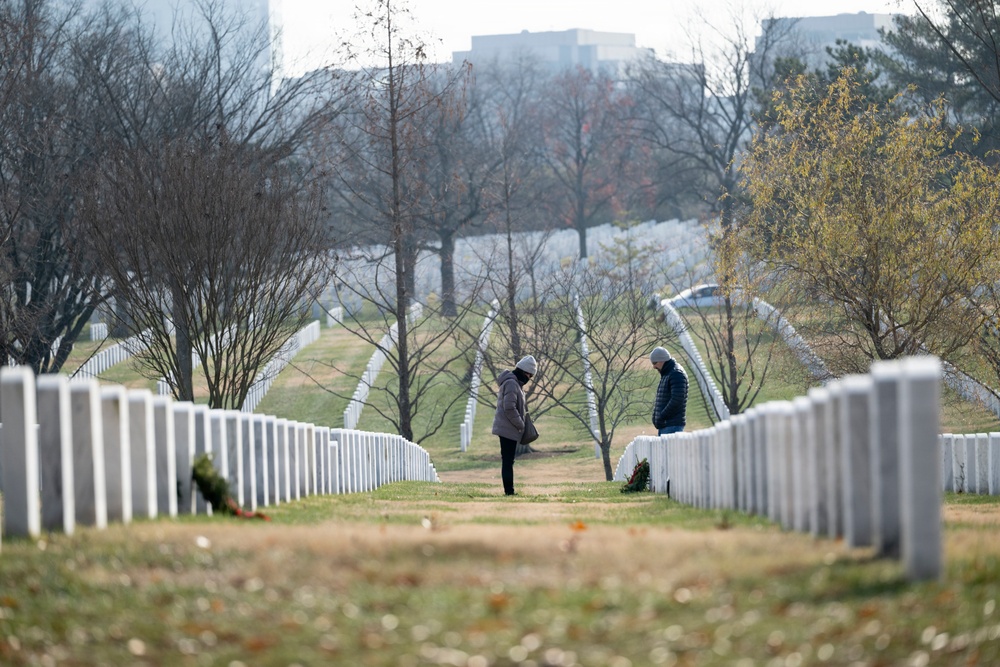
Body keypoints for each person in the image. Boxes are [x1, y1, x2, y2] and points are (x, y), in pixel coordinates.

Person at [491, 354, 536, 496]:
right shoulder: (511, 383)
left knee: (509, 461)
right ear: (524, 371)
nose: (529, 378)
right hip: (508, 428)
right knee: (508, 461)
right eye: (529, 375)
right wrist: (521, 424)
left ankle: (509, 490)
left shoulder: (514, 382)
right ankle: (509, 491)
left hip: (508, 427)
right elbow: (509, 407)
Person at [650, 346, 687, 435]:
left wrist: (662, 416)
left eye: (655, 363)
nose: (654, 366)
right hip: (667, 425)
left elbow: (677, 399)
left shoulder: (676, 373)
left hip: (671, 425)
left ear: (662, 360)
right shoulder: (668, 373)